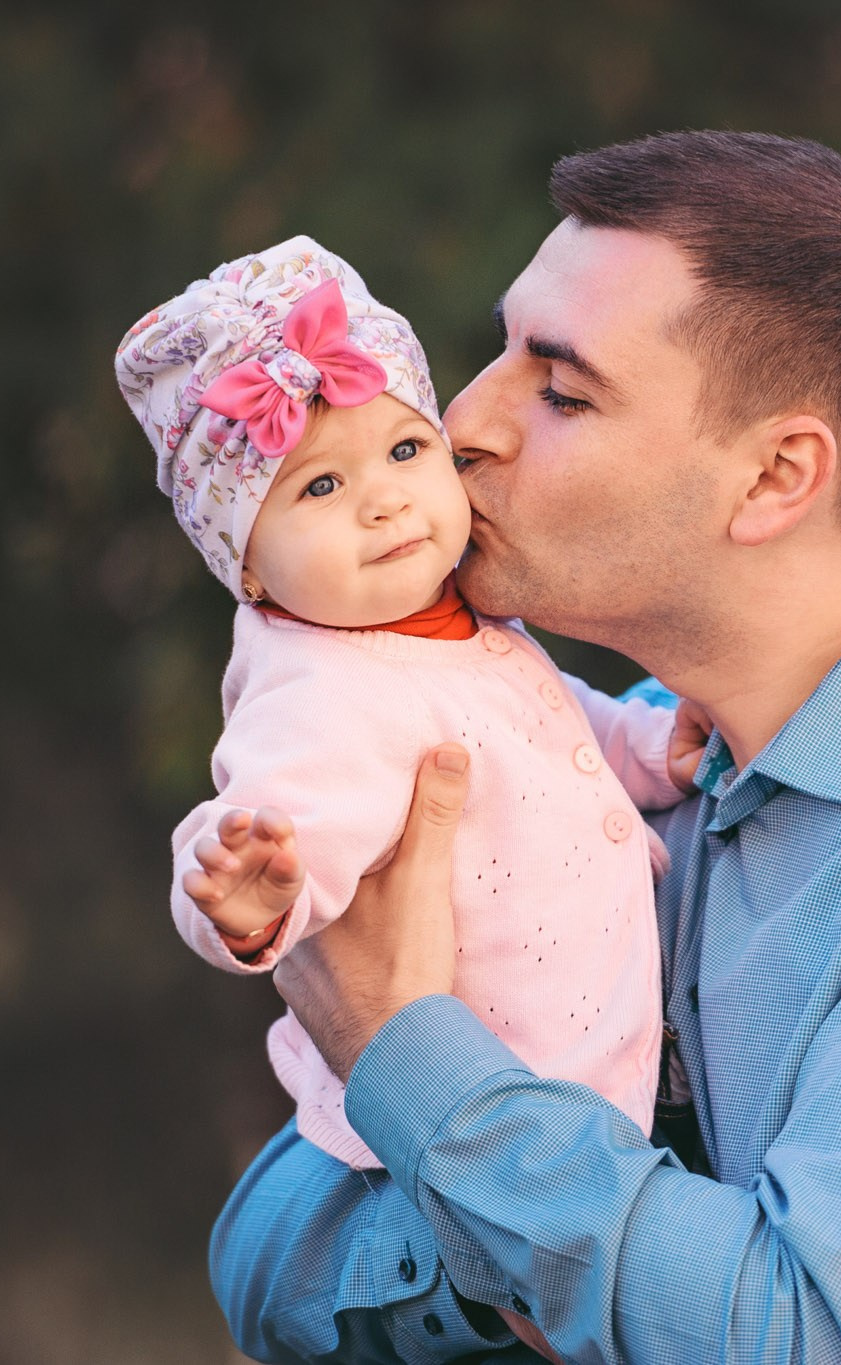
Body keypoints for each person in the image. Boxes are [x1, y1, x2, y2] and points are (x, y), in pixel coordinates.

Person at [211, 131, 841, 1363]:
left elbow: (794, 1337)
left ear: (773, 478)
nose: (460, 425)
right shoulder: (610, 757)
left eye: (560, 389)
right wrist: (542, 1258)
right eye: (494, 352)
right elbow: (265, 1252)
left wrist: (403, 1051)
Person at [115, 238, 694, 1172]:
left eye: (405, 448)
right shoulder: (319, 691)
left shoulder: (453, 622)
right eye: (321, 486)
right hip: (490, 1124)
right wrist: (253, 899)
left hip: (573, 1094)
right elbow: (259, 821)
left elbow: (556, 725)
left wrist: (651, 744)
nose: (384, 501)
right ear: (249, 568)